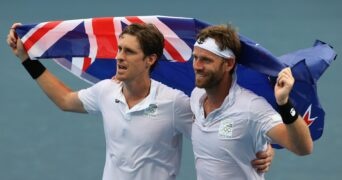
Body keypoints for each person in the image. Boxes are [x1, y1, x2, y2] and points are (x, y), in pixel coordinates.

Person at [7, 22, 273, 180]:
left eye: (129, 52)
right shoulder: (105, 92)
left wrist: (261, 147)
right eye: (120, 49)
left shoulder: (174, 104)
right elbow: (65, 99)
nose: (119, 57)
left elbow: (215, 131)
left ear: (150, 60)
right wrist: (26, 60)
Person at [190, 24, 313, 180]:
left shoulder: (252, 108)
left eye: (206, 60)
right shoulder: (196, 97)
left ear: (228, 64)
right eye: (195, 57)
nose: (197, 66)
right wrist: (263, 144)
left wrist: (284, 103)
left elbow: (303, 148)